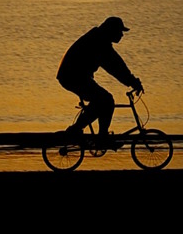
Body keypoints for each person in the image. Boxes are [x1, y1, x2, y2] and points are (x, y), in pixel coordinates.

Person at [57, 16, 143, 144]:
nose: (121, 35)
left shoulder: (100, 39)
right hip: (72, 76)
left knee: (103, 100)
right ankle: (85, 133)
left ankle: (97, 135)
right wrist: (132, 82)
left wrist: (131, 81)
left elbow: (116, 64)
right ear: (111, 31)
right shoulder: (99, 42)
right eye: (119, 32)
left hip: (75, 75)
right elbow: (116, 67)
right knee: (106, 100)